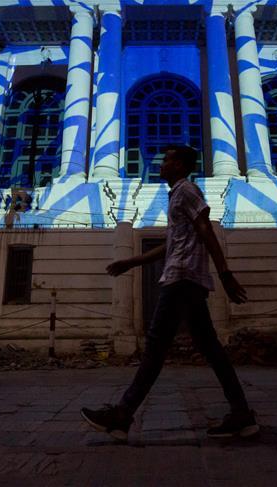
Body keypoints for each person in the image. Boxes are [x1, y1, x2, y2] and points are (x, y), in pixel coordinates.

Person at [81, 145, 258, 441]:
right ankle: (241, 413)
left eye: (167, 160)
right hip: (185, 277)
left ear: (179, 166)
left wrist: (225, 273)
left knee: (155, 348)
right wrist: (131, 262)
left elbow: (206, 230)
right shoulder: (177, 194)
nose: (161, 164)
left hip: (182, 278)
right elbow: (173, 244)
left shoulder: (187, 190)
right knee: (210, 349)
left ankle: (123, 415)